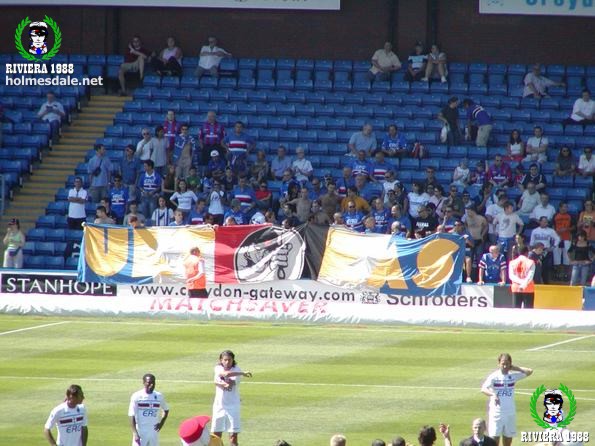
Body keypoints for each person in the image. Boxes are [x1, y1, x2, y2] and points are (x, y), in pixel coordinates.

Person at [481, 353, 533, 446]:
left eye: (507, 364)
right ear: (498, 364)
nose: (504, 366)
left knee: (508, 441)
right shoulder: (494, 376)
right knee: (494, 440)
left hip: (510, 413)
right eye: (502, 363)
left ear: (510, 364)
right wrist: (493, 394)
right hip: (496, 413)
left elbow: (529, 371)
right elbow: (483, 389)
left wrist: (513, 368)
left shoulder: (513, 376)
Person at [211, 350, 252, 446]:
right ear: (221, 360)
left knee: (233, 437)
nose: (227, 362)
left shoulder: (237, 369)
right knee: (216, 436)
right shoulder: (217, 368)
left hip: (233, 406)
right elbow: (222, 376)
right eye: (225, 360)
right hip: (219, 406)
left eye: (229, 360)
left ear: (233, 360)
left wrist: (239, 374)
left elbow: (230, 381)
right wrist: (242, 373)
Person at [129, 373, 169, 446]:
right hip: (140, 431)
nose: (152, 385)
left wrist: (161, 423)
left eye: (153, 382)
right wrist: (135, 433)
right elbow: (131, 415)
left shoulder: (159, 396)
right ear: (144, 383)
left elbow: (166, 409)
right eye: (149, 382)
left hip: (154, 431)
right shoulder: (136, 396)